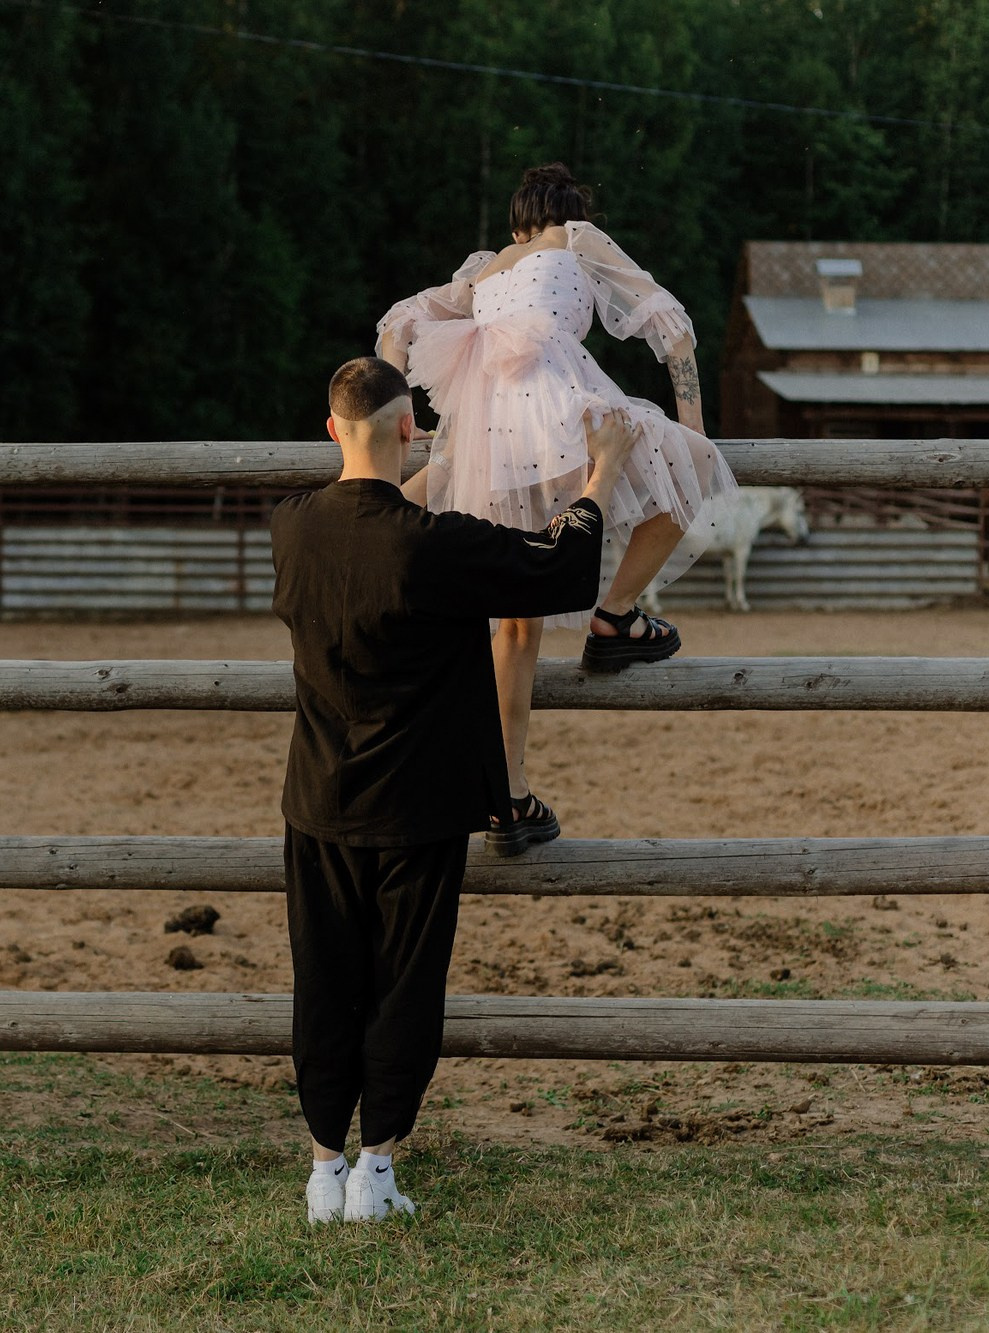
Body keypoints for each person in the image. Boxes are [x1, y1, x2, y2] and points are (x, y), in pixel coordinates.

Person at [270, 356, 637, 1224]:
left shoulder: (292, 526)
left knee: (323, 980)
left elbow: (371, 520)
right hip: (417, 805)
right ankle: (376, 1169)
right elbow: (560, 565)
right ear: (409, 428)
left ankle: (324, 1169)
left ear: (332, 430)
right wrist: (604, 471)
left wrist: (436, 463)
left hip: (317, 798)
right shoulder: (436, 546)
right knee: (404, 983)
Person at [377, 162, 735, 853]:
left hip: (487, 434)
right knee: (691, 466)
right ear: (568, 214)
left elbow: (400, 321)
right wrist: (694, 427)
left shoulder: (485, 268)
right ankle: (615, 614)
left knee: (516, 626)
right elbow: (671, 325)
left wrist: (404, 416)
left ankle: (508, 800)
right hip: (554, 409)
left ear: (517, 223)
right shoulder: (577, 238)